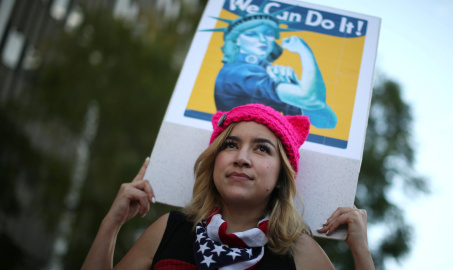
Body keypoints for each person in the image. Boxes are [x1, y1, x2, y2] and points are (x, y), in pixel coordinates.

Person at [82, 104, 373, 269]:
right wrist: (112, 224)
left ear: (282, 177)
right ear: (215, 159)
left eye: (262, 149)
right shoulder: (168, 229)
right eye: (231, 145)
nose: (242, 158)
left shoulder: (300, 254)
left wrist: (361, 252)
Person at [206, 6, 338, 129]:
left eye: (268, 33)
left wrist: (294, 83)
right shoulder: (237, 71)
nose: (262, 39)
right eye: (251, 34)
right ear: (236, 40)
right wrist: (305, 51)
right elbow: (311, 98)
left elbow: (327, 121)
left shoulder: (269, 72)